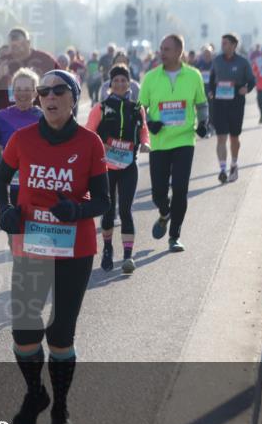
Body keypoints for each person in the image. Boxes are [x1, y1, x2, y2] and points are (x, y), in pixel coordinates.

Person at [0, 69, 110, 424]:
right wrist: (6, 211)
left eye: (59, 90)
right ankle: (36, 392)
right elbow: (0, 178)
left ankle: (61, 408)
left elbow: (103, 200)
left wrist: (77, 210)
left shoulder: (90, 143)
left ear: (74, 98)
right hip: (32, 243)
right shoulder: (23, 139)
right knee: (24, 332)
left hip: (75, 249)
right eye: (44, 91)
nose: (50, 96)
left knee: (60, 334)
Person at [137, 34, 208, 252]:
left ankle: (174, 236)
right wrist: (150, 122)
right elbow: (141, 108)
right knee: (158, 193)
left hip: (185, 139)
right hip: (159, 142)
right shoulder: (150, 77)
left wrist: (204, 123)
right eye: (161, 48)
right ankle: (164, 213)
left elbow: (201, 104)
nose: (162, 52)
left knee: (180, 189)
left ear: (179, 52)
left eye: (166, 49)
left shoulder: (193, 75)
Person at [85, 64, 149, 274]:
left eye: (124, 80)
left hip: (129, 165)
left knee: (126, 210)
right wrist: (99, 145)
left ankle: (128, 257)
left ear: (129, 83)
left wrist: (146, 143)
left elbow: (144, 131)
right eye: (116, 81)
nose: (120, 84)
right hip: (106, 168)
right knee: (108, 211)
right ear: (110, 84)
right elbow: (88, 133)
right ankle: (107, 249)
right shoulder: (101, 108)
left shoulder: (136, 107)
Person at [0, 69, 42, 207]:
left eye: (27, 89)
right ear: (12, 91)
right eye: (18, 89)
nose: (22, 93)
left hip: (37, 181)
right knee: (15, 225)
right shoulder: (1, 116)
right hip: (11, 181)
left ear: (35, 92)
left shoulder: (43, 118)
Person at [208, 34, 256, 183]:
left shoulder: (242, 62)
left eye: (226, 43)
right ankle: (222, 169)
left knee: (234, 137)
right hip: (219, 103)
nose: (223, 46)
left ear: (234, 45)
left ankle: (234, 164)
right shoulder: (217, 60)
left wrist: (246, 90)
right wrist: (210, 91)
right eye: (222, 43)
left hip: (236, 102)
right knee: (221, 136)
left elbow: (252, 80)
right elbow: (211, 79)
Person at [0, 28, 58, 110]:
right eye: (13, 46)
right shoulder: (2, 62)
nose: (16, 49)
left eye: (20, 45)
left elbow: (63, 84)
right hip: (8, 116)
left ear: (28, 43)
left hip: (39, 115)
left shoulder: (44, 60)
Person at [194, 46, 215, 138]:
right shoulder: (198, 65)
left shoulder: (215, 64)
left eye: (209, 54)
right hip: (201, 92)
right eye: (205, 54)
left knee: (211, 110)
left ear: (211, 55)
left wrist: (213, 90)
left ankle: (210, 127)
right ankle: (203, 127)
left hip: (211, 91)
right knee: (201, 111)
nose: (207, 56)